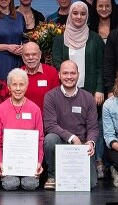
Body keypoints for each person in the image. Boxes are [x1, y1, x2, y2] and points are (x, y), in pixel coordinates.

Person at [42, 61, 98, 190]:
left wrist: (90, 143)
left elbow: (93, 127)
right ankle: (53, 175)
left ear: (78, 75)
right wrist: (72, 137)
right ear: (59, 75)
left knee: (90, 183)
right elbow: (50, 125)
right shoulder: (50, 96)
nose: (69, 77)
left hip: (81, 147)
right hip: (60, 143)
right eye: (65, 73)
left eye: (72, 73)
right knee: (50, 139)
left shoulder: (88, 97)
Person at [0, 69, 44, 191]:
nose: (18, 88)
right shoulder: (1, 110)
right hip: (8, 161)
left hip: (29, 162)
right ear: (9, 87)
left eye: (21, 84)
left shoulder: (35, 109)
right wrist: (0, 162)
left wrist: (38, 162)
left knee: (30, 185)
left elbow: (40, 139)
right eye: (14, 84)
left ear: (27, 86)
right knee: (10, 184)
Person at [52, 1, 105, 102]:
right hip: (65, 91)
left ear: (87, 16)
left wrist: (99, 89)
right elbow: (57, 64)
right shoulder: (60, 39)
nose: (79, 17)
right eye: (75, 13)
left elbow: (101, 67)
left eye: (83, 14)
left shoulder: (96, 39)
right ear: (70, 15)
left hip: (91, 92)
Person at [20, 42, 59, 111]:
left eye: (34, 54)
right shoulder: (18, 74)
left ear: (40, 55)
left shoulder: (51, 72)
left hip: (46, 118)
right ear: (22, 57)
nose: (30, 58)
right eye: (27, 55)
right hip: (24, 118)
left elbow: (56, 99)